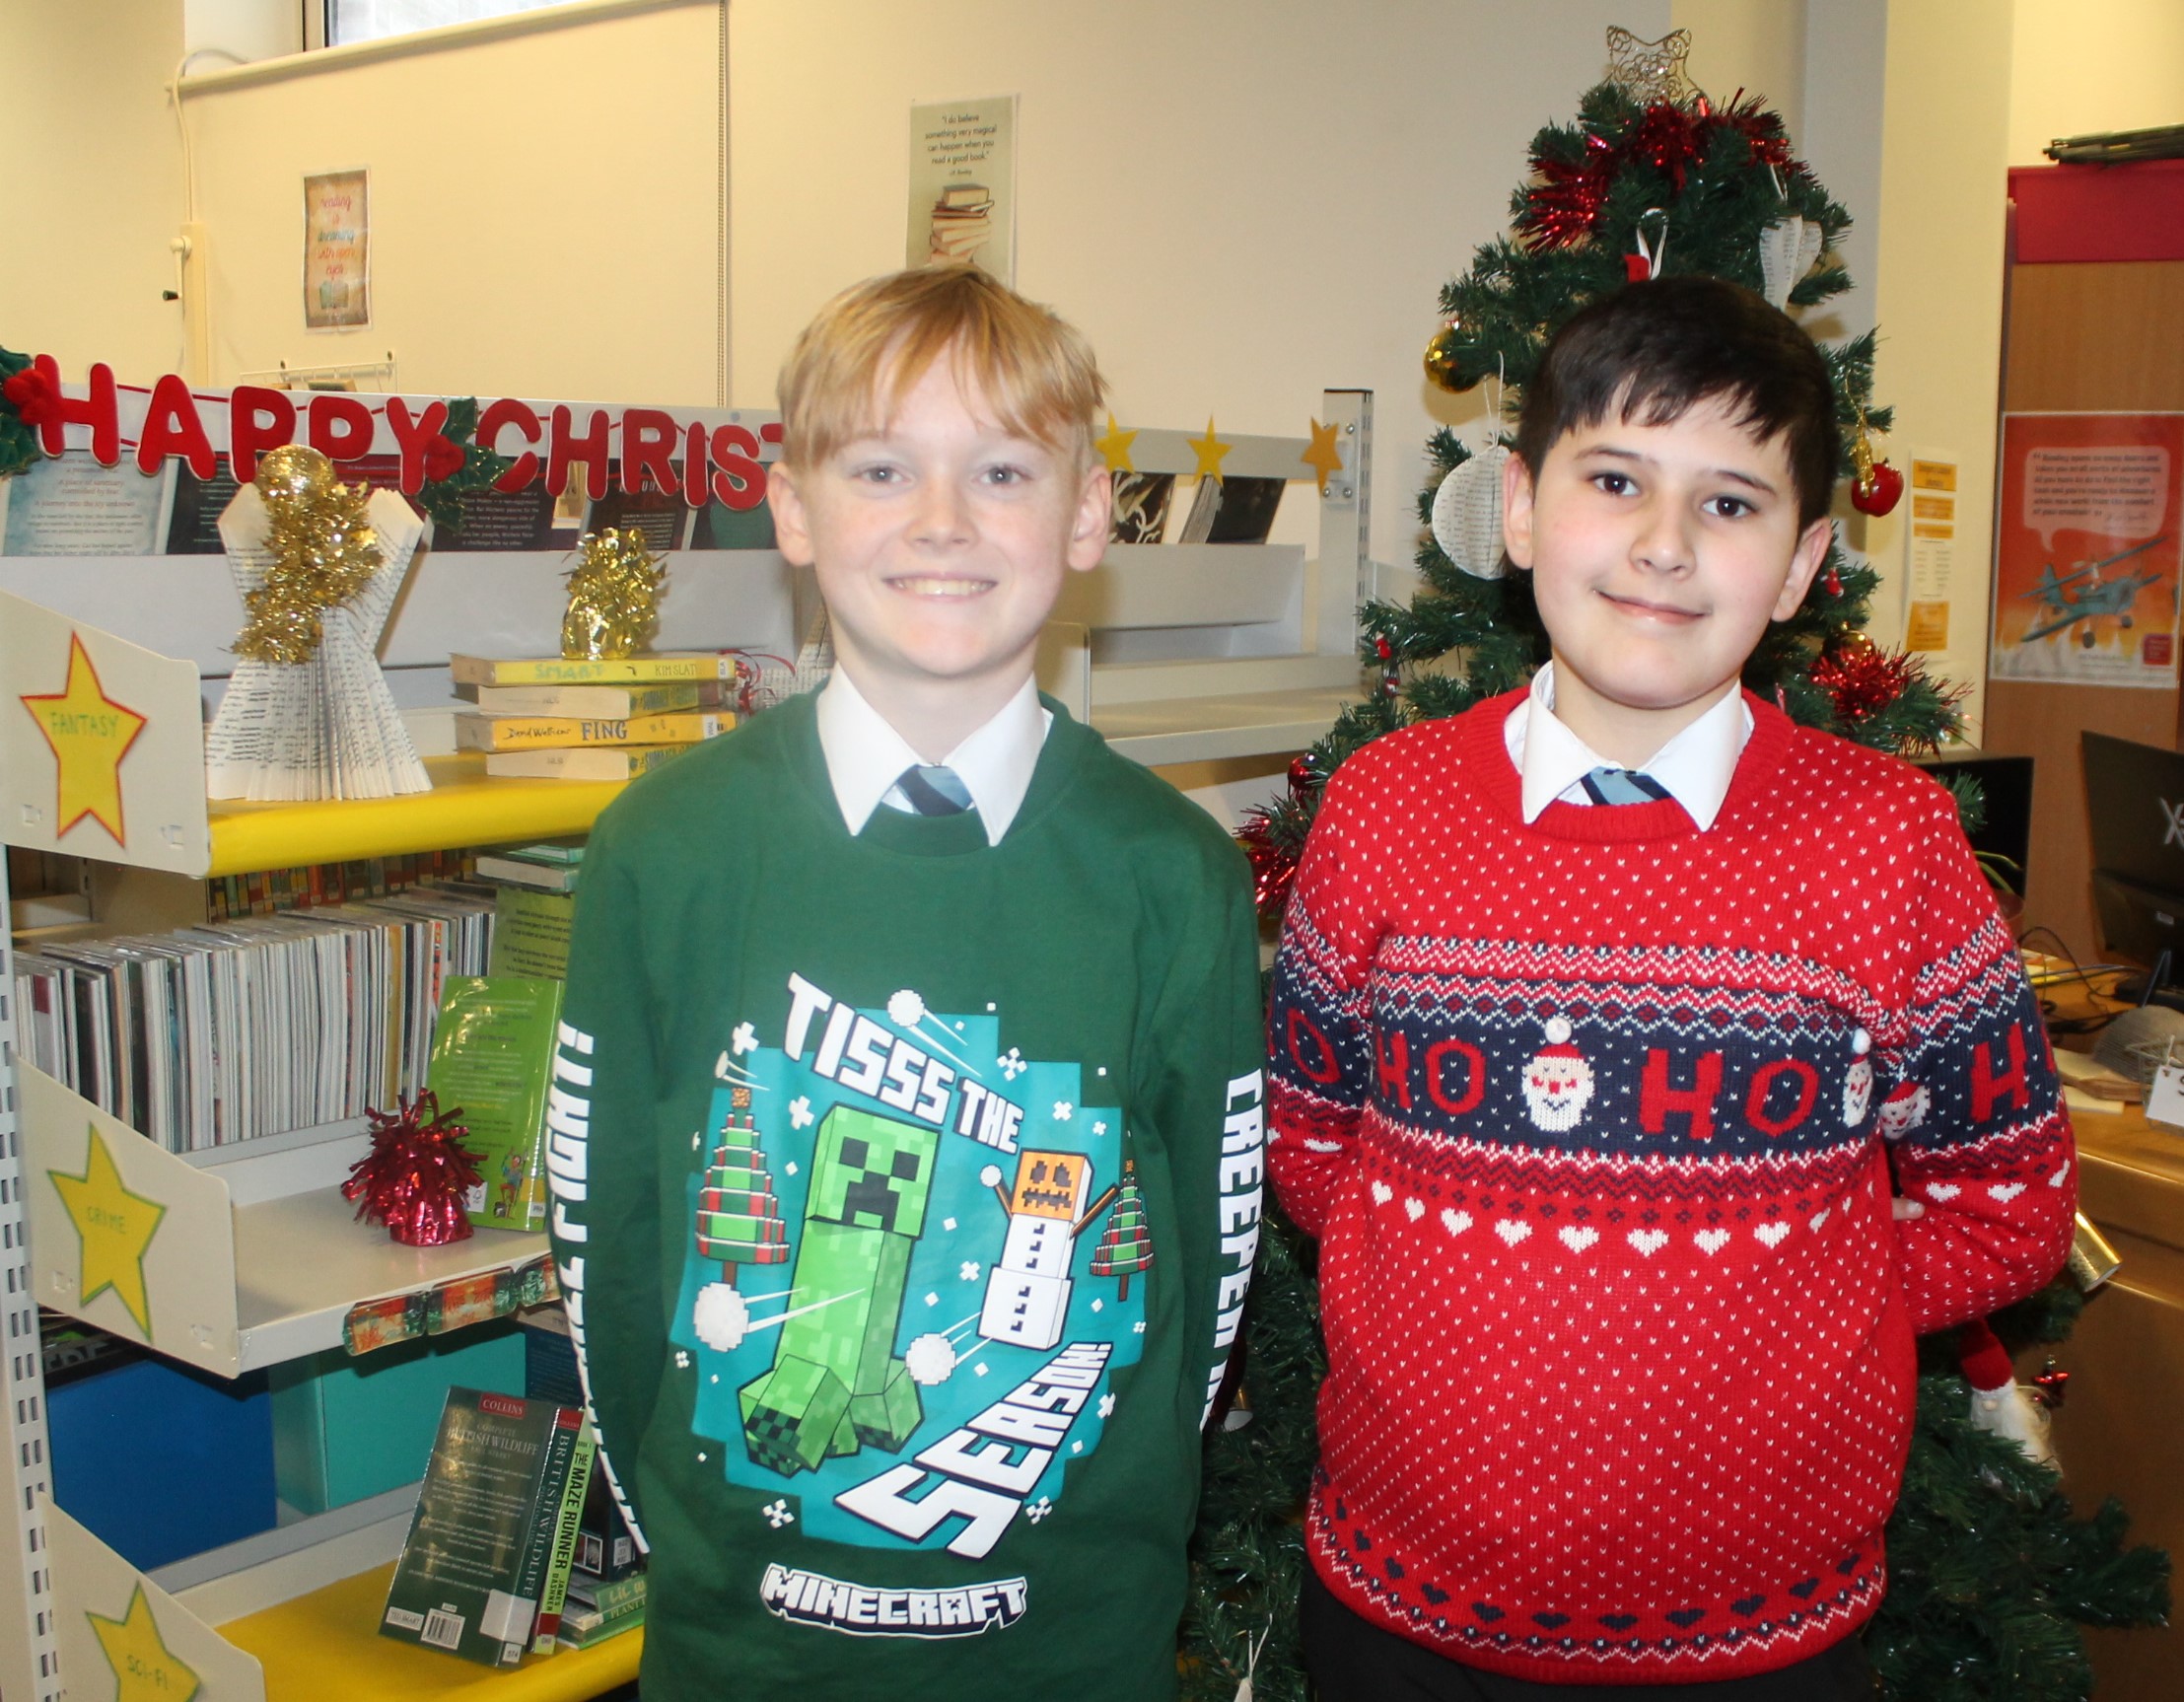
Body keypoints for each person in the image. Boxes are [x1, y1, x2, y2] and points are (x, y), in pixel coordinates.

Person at [1267, 275, 2075, 1700]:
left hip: (1759, 1641)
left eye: (1731, 502)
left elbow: (2010, 1203)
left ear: (1808, 556)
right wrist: (1462, 1267)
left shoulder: (1889, 841)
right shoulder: (1384, 807)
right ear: (1519, 508)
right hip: (1401, 1612)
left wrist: (1800, 1289)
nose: (1662, 545)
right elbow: (1310, 1136)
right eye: (1617, 478)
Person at [546, 264, 1265, 1702]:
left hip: (1074, 1650)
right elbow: (604, 1247)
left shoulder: (1172, 874)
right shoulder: (662, 854)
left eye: (1001, 470)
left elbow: (1207, 1256)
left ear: (1080, 517)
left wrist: (1108, 1523)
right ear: (795, 508)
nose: (942, 522)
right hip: (746, 1651)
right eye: (883, 467)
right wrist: (694, 1538)